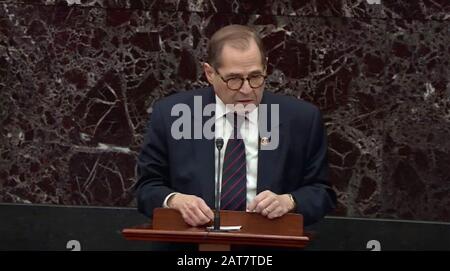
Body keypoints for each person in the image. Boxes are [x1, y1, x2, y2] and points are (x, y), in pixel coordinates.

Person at [135, 25, 336, 231]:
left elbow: (322, 192)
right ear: (210, 73)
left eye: (255, 77)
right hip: (191, 247)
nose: (247, 89)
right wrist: (174, 200)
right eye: (234, 79)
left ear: (266, 68)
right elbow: (146, 188)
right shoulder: (172, 115)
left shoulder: (301, 119)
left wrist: (290, 201)